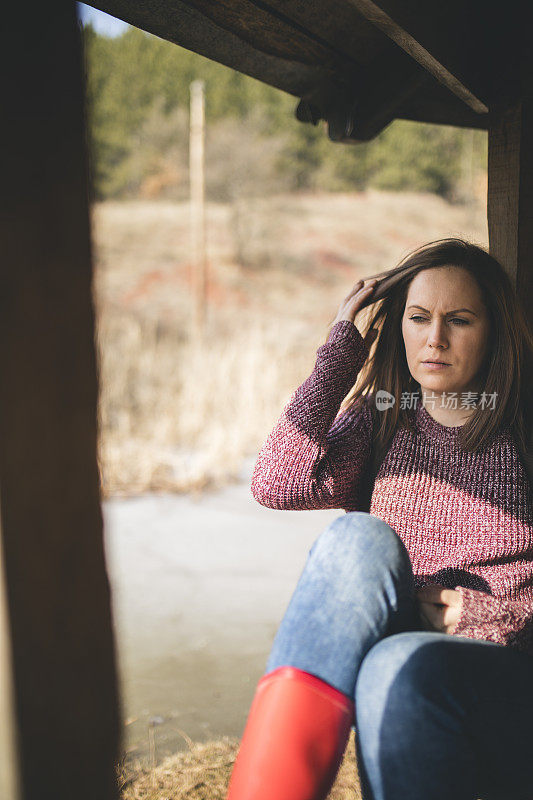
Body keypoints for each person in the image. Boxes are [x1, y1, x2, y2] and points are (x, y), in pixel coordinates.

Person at [225, 238, 533, 800]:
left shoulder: (523, 430)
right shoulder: (385, 419)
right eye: (419, 318)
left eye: (459, 320)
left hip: (499, 676)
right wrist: (340, 353)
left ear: (494, 331)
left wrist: (492, 615)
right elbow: (277, 482)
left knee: (398, 662)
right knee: (356, 537)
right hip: (394, 655)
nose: (434, 338)